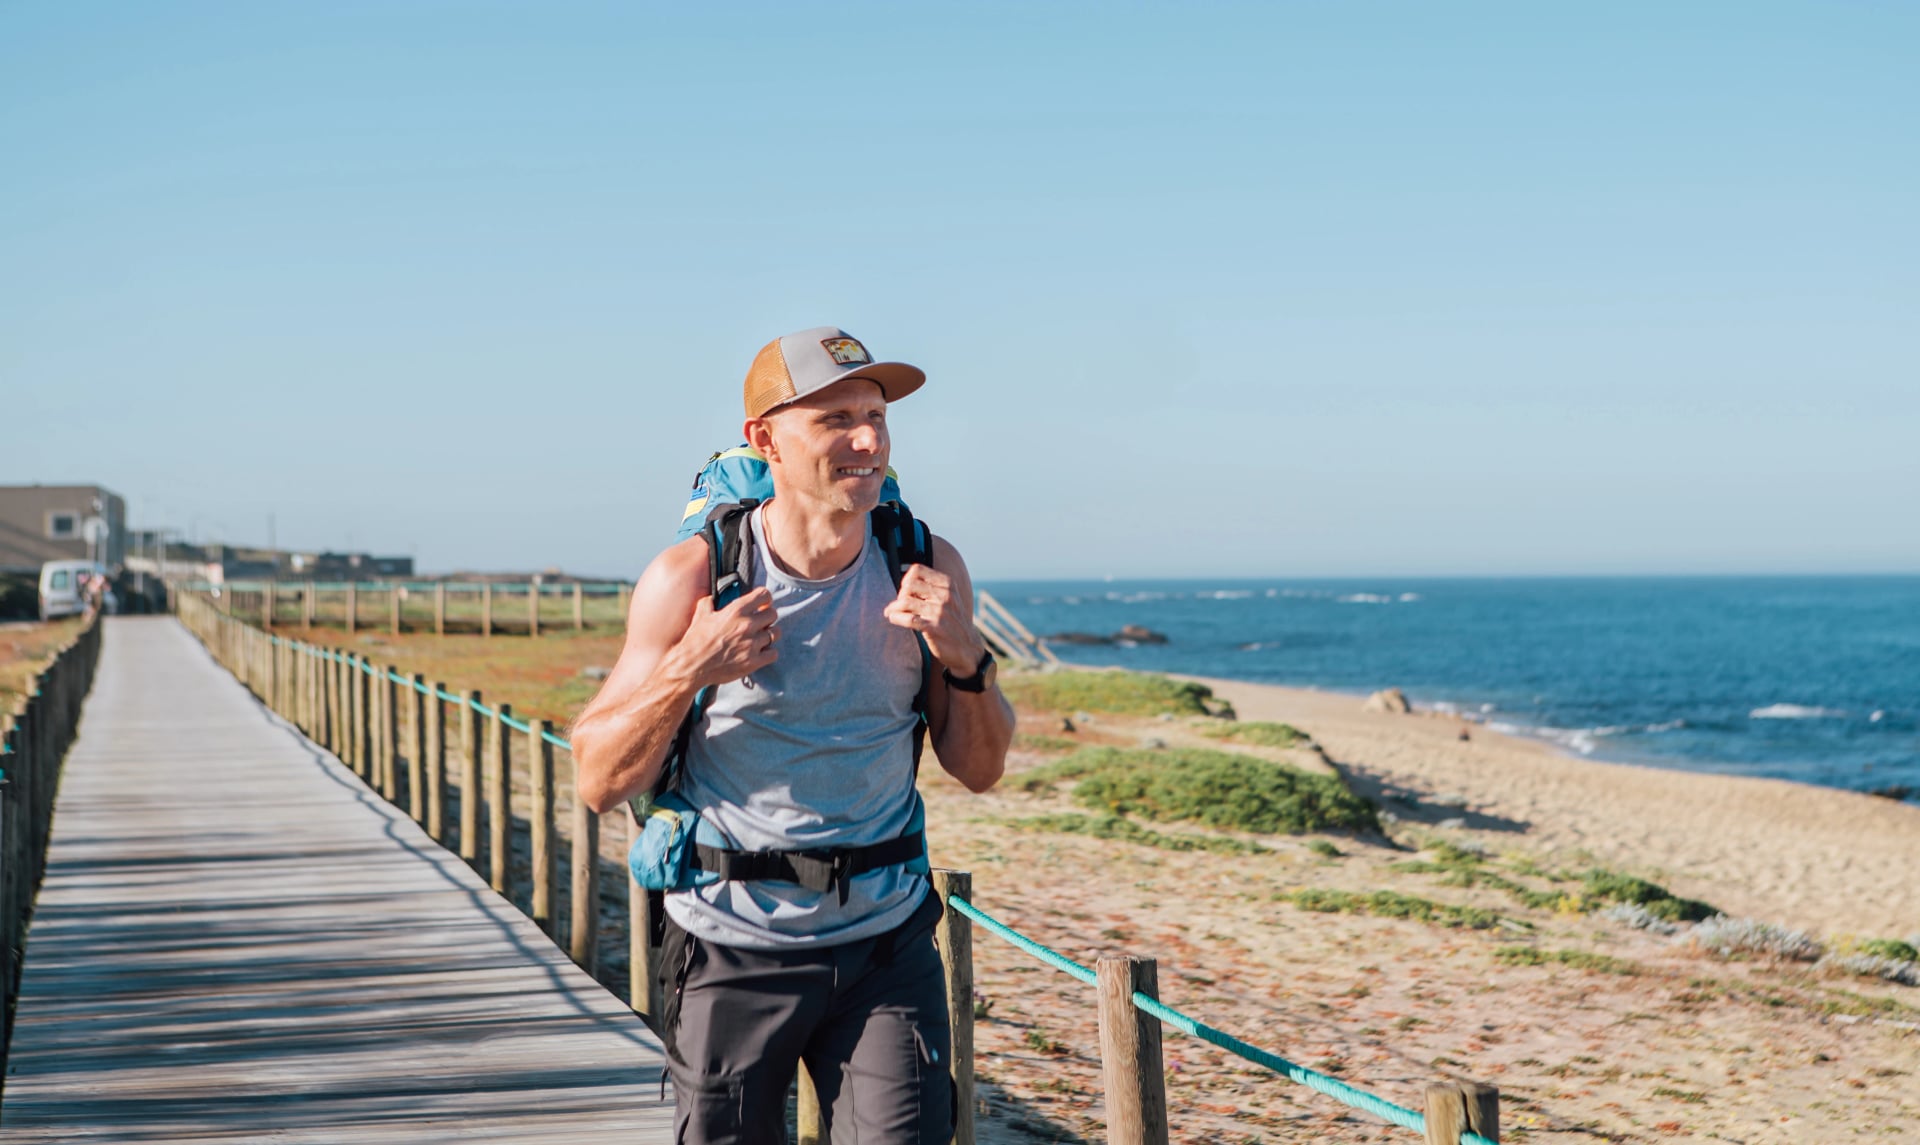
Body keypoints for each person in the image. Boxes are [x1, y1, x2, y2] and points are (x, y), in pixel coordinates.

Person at [573, 326, 1014, 1145]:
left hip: (886, 944)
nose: (868, 439)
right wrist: (687, 670)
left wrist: (967, 656)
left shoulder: (923, 562)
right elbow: (598, 778)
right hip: (730, 945)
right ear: (765, 439)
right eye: (836, 417)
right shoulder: (696, 577)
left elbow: (980, 769)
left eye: (877, 415)